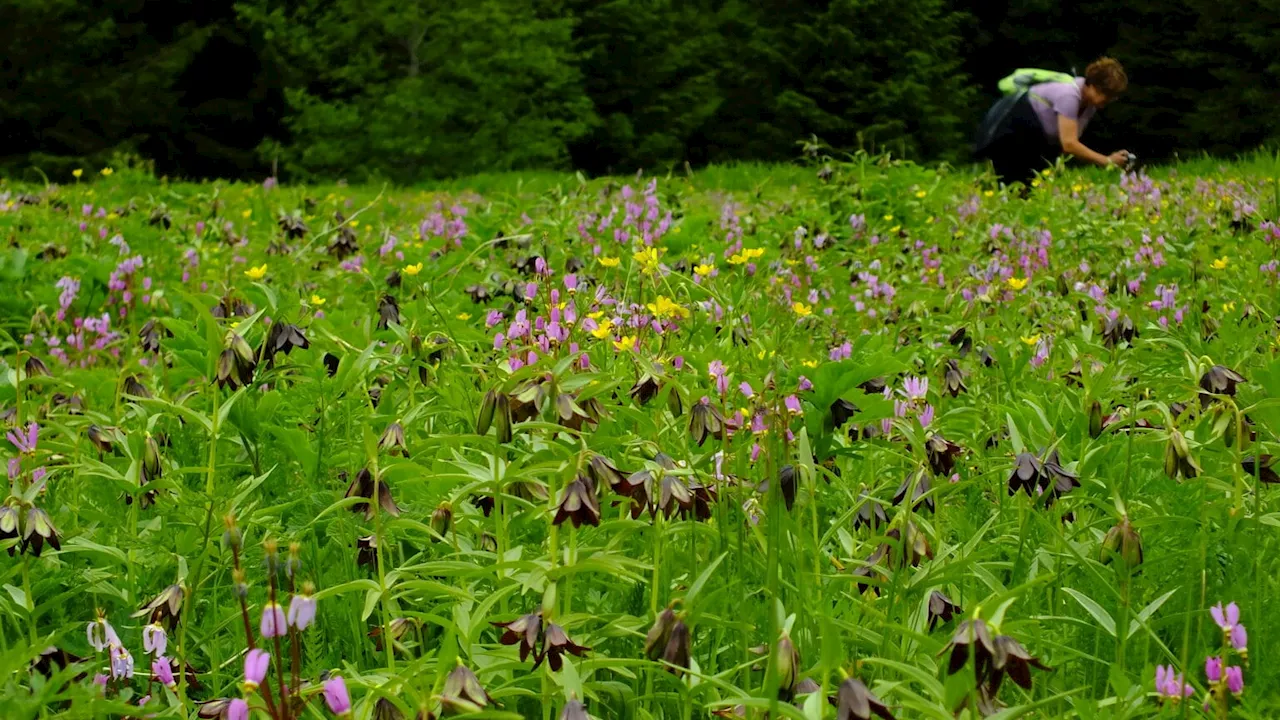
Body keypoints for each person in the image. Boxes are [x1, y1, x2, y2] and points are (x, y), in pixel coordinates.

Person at [975, 57, 1131, 188]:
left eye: (1112, 96)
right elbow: (1069, 144)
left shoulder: (1090, 106)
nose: (1107, 99)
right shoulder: (1069, 95)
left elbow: (1068, 144)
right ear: (1091, 84)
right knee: (1011, 186)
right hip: (1012, 133)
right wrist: (1107, 161)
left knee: (1031, 188)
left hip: (1032, 141)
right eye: (1105, 93)